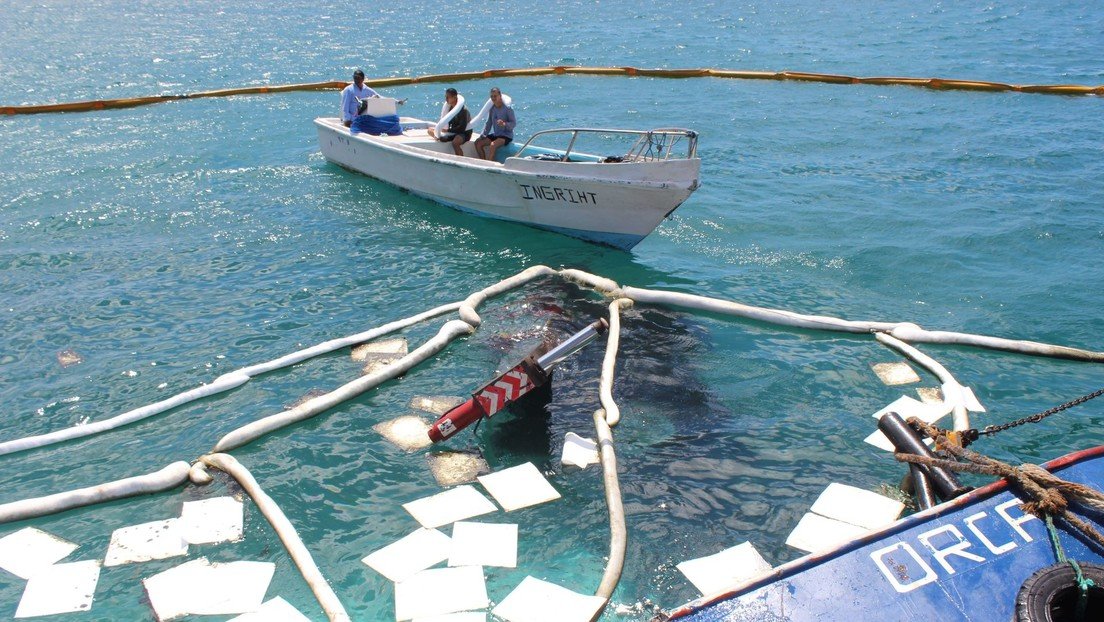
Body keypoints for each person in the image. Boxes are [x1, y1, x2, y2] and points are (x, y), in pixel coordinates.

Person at [475, 87, 515, 161]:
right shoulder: (492, 108)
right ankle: (483, 162)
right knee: (478, 143)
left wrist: (504, 124)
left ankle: (489, 165)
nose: (493, 98)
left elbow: (513, 123)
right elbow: (489, 122)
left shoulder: (508, 108)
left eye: (495, 96)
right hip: (496, 134)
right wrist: (483, 135)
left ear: (500, 96)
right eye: (492, 96)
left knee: (493, 145)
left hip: (506, 135)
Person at [427, 88, 471, 156]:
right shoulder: (449, 108)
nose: (446, 99)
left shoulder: (463, 110)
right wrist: (443, 130)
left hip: (464, 133)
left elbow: (462, 128)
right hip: (452, 132)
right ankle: (441, 138)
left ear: (455, 97)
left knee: (455, 142)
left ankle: (460, 160)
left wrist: (447, 130)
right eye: (446, 97)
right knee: (430, 130)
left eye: (448, 97)